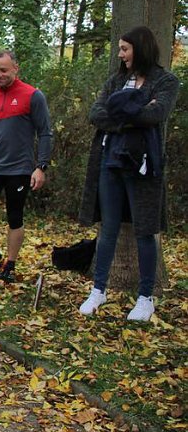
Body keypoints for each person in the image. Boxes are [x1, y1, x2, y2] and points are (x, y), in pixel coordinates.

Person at [78, 26, 180, 321]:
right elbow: (96, 113)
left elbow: (155, 114)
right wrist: (130, 113)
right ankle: (99, 289)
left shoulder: (165, 81)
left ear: (141, 48)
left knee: (145, 231)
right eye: (120, 49)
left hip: (144, 167)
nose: (120, 54)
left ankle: (145, 297)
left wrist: (121, 111)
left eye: (125, 49)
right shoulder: (116, 80)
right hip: (109, 162)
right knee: (108, 228)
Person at [0, 50, 53, 283]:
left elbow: (45, 132)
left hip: (20, 169)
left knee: (15, 216)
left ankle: (10, 264)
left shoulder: (33, 95)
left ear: (15, 68)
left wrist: (41, 166)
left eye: (3, 70)